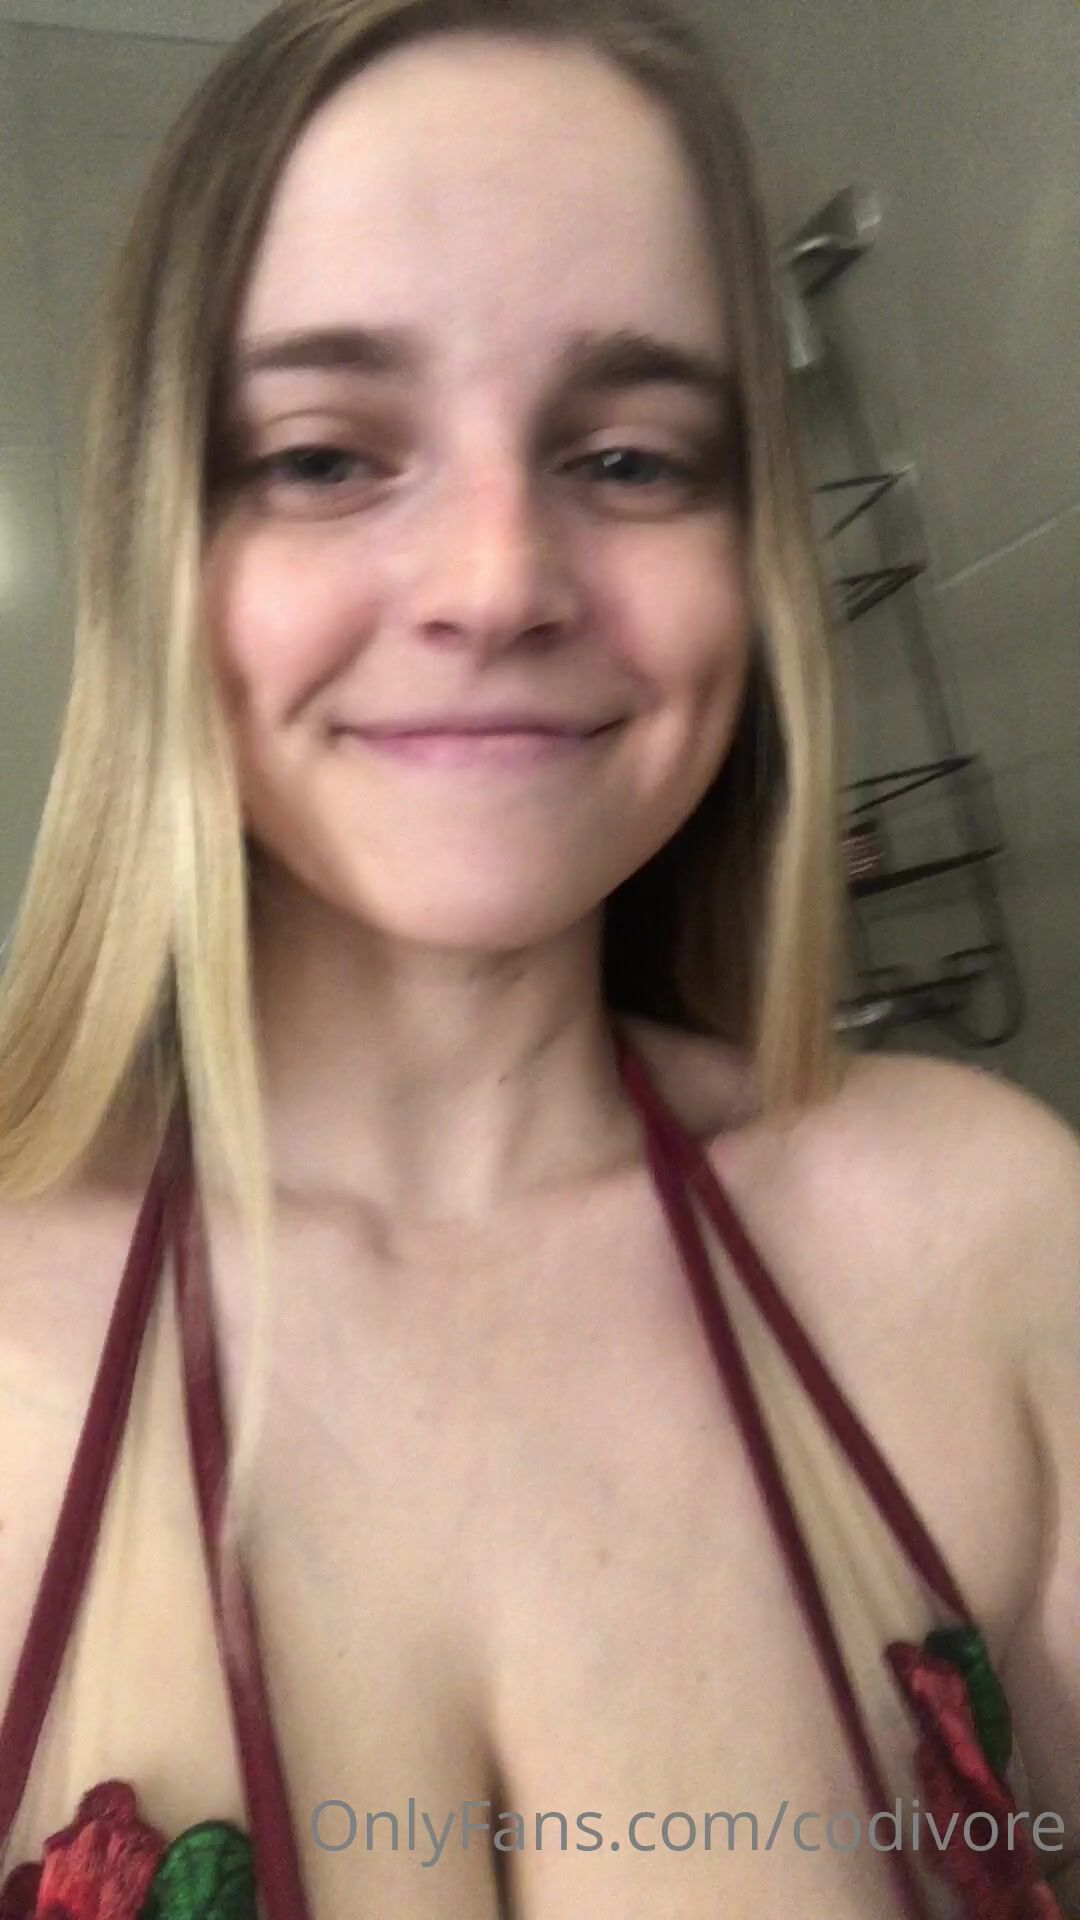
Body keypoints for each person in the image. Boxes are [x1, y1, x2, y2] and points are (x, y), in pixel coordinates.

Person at [0, 0, 1076, 1914]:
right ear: (166, 545)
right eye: (325, 455)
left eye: (635, 458)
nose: (498, 583)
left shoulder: (996, 1244)